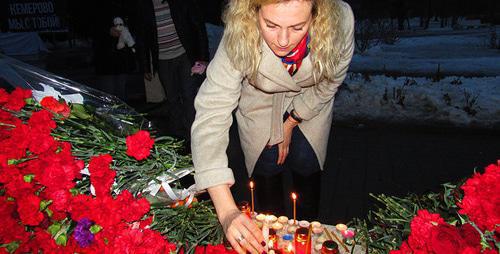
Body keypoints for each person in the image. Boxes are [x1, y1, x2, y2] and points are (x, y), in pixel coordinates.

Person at [191, 0, 355, 253]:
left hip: (310, 98)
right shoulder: (241, 27)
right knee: (266, 164)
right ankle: (270, 234)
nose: (283, 40)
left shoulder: (340, 19)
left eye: (298, 27)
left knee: (306, 161)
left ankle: (307, 233)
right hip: (260, 102)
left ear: (318, 12)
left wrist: (291, 121)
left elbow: (331, 81)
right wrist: (226, 212)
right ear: (253, 11)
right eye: (270, 25)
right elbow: (212, 110)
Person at [136, 0, 209, 143]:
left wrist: (203, 57)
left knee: (189, 96)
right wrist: (145, 66)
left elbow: (198, 26)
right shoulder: (144, 5)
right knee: (172, 98)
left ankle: (194, 135)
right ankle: (177, 137)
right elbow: (142, 36)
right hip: (162, 59)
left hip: (184, 55)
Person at [92, 0, 137, 101]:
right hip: (105, 59)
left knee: (121, 94)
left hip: (123, 57)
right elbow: (89, 25)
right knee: (108, 95)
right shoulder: (97, 7)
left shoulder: (124, 6)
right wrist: (107, 31)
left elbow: (134, 20)